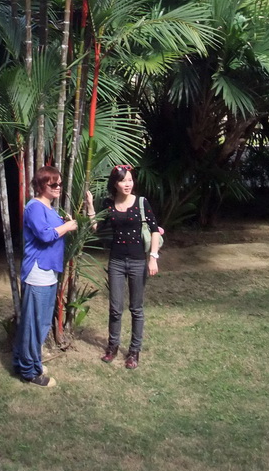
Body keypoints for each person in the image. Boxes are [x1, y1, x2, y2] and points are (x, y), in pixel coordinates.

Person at [85, 164, 161, 370]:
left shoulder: (141, 203)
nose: (127, 184)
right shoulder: (109, 205)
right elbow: (95, 227)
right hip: (116, 262)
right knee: (115, 308)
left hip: (138, 261)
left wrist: (152, 257)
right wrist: (91, 206)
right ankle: (112, 347)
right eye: (123, 181)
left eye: (130, 180)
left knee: (136, 308)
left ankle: (134, 351)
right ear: (115, 184)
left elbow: (154, 230)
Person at [13, 165, 78, 388]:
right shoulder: (34, 207)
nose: (59, 187)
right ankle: (30, 372)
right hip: (37, 273)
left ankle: (24, 362)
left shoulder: (50, 208)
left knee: (39, 321)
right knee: (35, 323)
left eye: (60, 183)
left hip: (49, 271)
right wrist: (67, 227)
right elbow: (44, 235)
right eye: (54, 184)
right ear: (41, 185)